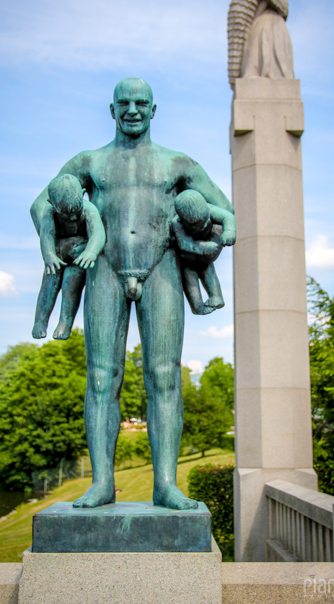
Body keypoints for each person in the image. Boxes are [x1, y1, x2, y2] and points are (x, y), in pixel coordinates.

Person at [31, 78, 235, 510]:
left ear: (154, 109)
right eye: (124, 103)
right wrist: (61, 242)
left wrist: (195, 231)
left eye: (141, 103)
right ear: (111, 109)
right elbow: (40, 204)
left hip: (160, 267)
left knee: (164, 376)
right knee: (102, 377)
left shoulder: (177, 162)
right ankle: (102, 483)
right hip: (104, 266)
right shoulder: (91, 161)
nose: (133, 110)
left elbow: (224, 212)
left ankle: (165, 484)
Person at [32, 174, 105, 340]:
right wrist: (49, 255)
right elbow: (46, 235)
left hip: (78, 254)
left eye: (75, 212)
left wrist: (90, 252)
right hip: (58, 252)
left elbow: (98, 233)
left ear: (83, 194)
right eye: (65, 214)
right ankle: (40, 321)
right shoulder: (49, 211)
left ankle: (65, 322)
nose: (72, 217)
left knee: (70, 284)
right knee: (49, 282)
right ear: (52, 204)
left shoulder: (89, 209)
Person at [172, 189, 236, 315]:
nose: (203, 225)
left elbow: (228, 216)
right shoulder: (177, 223)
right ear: (183, 220)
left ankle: (216, 297)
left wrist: (229, 231)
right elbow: (184, 245)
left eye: (206, 220)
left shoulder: (211, 209)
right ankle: (197, 306)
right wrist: (206, 248)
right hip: (189, 257)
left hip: (204, 254)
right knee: (190, 278)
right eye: (196, 225)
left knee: (208, 270)